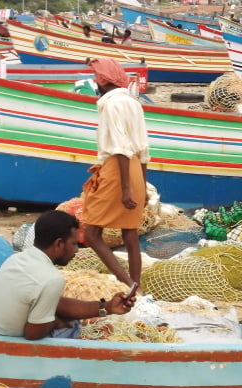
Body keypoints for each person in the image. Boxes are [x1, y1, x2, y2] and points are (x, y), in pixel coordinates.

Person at [0, 210, 135, 340]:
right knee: (71, 328)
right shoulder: (51, 278)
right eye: (74, 244)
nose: (76, 251)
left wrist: (108, 307)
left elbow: (56, 303)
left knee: (61, 317)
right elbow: (33, 334)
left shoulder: (18, 259)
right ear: (59, 243)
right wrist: (56, 321)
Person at [82, 58, 149, 289]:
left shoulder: (110, 104)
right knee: (130, 234)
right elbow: (143, 149)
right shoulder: (134, 103)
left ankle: (127, 283)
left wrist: (125, 189)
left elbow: (120, 147)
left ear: (103, 81)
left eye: (96, 78)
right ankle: (136, 286)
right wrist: (143, 186)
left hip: (116, 169)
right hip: (135, 169)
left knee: (91, 233)